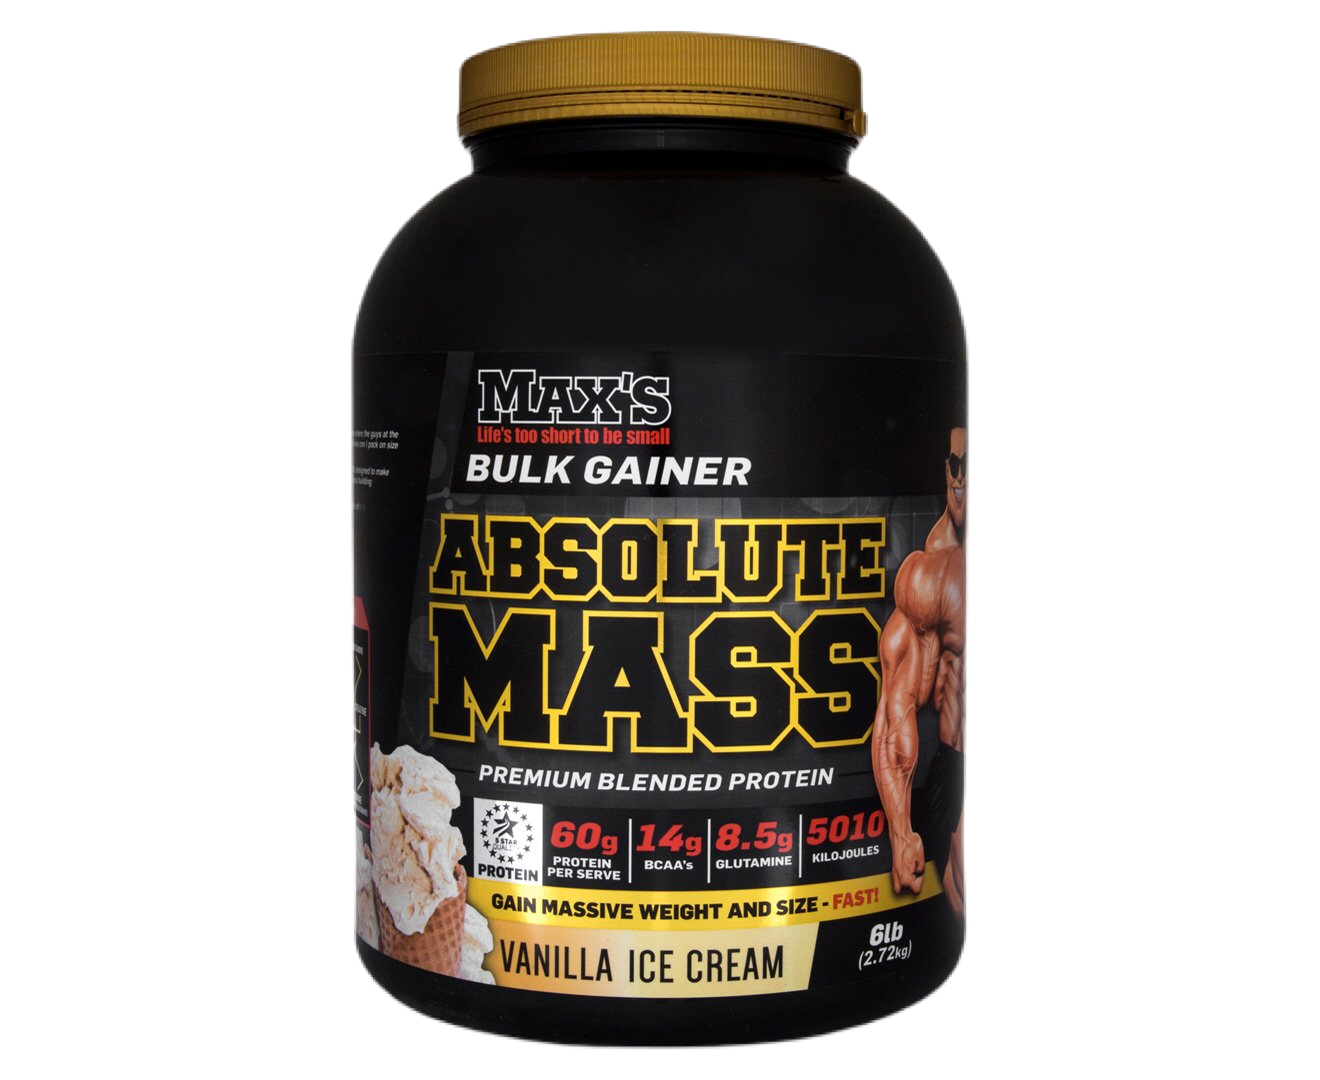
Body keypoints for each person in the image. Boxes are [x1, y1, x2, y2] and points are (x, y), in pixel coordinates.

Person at [871, 427, 969, 923]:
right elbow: (894, 713)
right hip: (945, 776)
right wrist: (900, 833)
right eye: (952, 465)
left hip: (955, 762)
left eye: (965, 464)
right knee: (949, 894)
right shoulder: (926, 577)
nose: (958, 478)